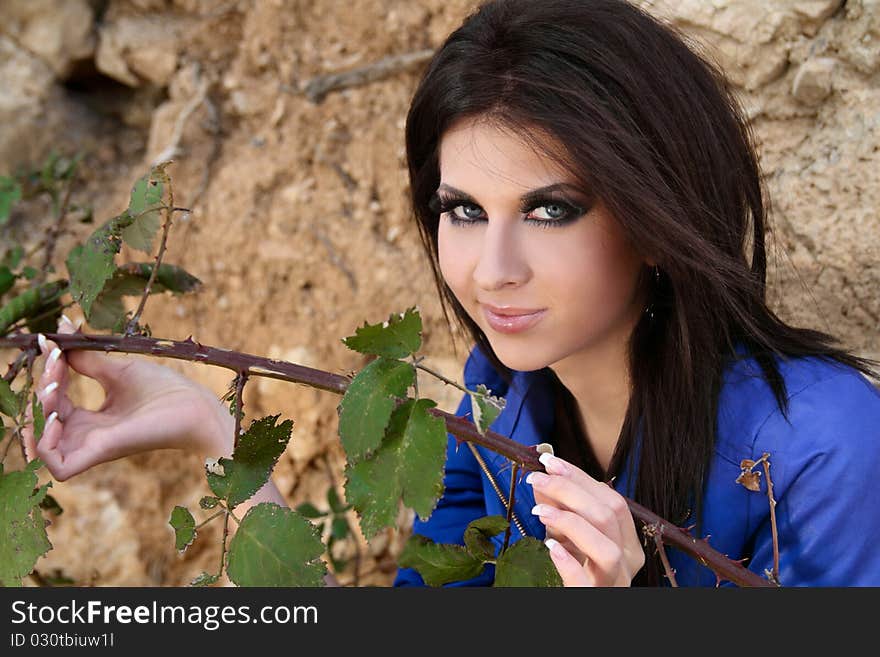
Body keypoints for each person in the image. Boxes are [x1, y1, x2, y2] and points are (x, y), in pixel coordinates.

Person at [23, 0, 880, 587]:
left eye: (551, 208)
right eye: (462, 209)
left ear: (656, 214)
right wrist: (214, 426)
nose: (492, 268)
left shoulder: (820, 451)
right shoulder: (496, 400)